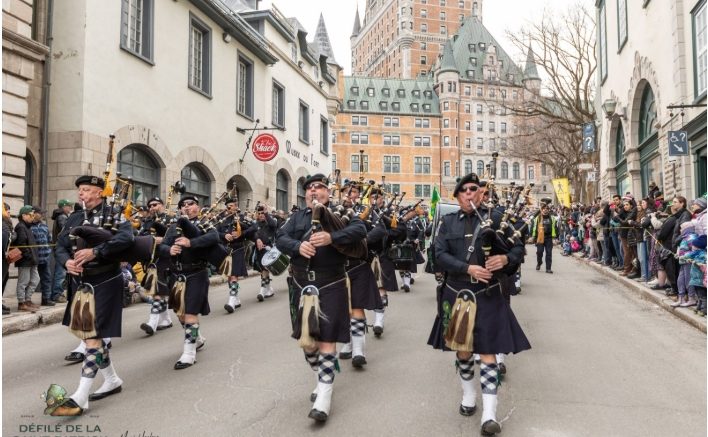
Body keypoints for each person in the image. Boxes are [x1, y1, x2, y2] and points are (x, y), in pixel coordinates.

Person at [427, 173, 530, 436]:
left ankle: (489, 413)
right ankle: (469, 395)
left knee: (488, 351)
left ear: (481, 193)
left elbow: (518, 249)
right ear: (458, 195)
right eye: (465, 190)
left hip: (489, 294)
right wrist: (468, 267)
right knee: (462, 351)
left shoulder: (496, 218)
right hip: (457, 292)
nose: (471, 193)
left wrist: (505, 260)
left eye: (475, 189)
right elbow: (439, 255)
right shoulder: (448, 222)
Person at [275, 174, 367, 422]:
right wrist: (297, 247)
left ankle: (324, 396)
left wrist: (331, 237)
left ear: (328, 192)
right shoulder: (297, 217)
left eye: (319, 187)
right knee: (308, 343)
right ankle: (321, 376)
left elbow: (360, 229)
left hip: (332, 282)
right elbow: (280, 238)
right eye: (310, 188)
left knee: (327, 340)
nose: (314, 191)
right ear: (305, 194)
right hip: (301, 283)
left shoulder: (340, 213)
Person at [49, 175, 133, 416]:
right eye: (80, 190)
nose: (81, 194)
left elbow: (127, 238)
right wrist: (66, 263)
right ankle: (113, 380)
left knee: (93, 337)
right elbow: (61, 245)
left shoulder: (114, 215)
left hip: (106, 279)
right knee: (89, 337)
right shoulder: (75, 217)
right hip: (81, 282)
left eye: (86, 190)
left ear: (99, 192)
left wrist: (97, 251)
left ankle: (80, 396)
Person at [158, 195, 219, 369]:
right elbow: (161, 246)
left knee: (191, 312)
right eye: (183, 205)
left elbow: (213, 238)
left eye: (190, 204)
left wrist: (190, 242)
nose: (186, 207)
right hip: (177, 274)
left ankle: (189, 353)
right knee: (180, 312)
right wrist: (169, 249)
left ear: (197, 207)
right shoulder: (173, 227)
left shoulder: (204, 223)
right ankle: (197, 338)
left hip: (196, 272)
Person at [337, 180, 383, 368]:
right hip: (336, 268)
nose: (350, 195)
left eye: (354, 191)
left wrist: (363, 241)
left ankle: (358, 350)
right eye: (346, 191)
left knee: (356, 307)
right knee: (342, 309)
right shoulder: (331, 210)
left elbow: (381, 230)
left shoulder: (367, 211)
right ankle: (347, 342)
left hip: (357, 265)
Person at [138, 197, 173, 335]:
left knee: (157, 291)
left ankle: (152, 323)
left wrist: (163, 239)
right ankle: (166, 320)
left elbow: (176, 237)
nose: (152, 207)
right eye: (150, 205)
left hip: (165, 258)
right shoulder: (146, 222)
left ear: (162, 205)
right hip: (150, 260)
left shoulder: (171, 219)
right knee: (157, 290)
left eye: (155, 204)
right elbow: (140, 237)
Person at [219, 197, 256, 313]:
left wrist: (241, 233)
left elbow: (254, 227)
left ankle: (231, 300)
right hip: (226, 250)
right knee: (230, 276)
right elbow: (215, 232)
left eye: (232, 205)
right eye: (228, 206)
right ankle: (236, 298)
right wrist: (224, 236)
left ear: (236, 206)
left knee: (234, 274)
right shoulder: (221, 219)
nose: (230, 207)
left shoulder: (241, 218)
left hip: (238, 248)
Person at [14, 205, 40, 312]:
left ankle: (27, 300)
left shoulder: (27, 226)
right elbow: (22, 244)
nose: (32, 217)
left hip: (32, 260)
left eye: (33, 215)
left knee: (35, 279)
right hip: (25, 260)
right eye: (30, 215)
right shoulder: (21, 226)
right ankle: (21, 303)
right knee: (23, 281)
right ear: (24, 215)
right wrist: (29, 256)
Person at [252, 205, 278, 301]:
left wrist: (267, 213)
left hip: (269, 249)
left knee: (264, 268)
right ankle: (268, 288)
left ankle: (263, 289)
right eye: (259, 213)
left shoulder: (271, 222)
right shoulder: (256, 224)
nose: (261, 215)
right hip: (259, 250)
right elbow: (254, 233)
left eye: (262, 213)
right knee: (262, 269)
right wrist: (257, 239)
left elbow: (274, 225)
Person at [50, 199, 73, 303]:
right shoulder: (63, 217)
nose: (70, 208)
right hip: (62, 248)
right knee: (61, 273)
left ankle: (57, 293)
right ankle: (57, 294)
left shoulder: (61, 216)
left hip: (59, 248)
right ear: (64, 207)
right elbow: (67, 231)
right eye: (69, 205)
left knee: (61, 272)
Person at [31, 206, 55, 306]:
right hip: (34, 259)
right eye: (40, 213)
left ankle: (46, 299)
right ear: (34, 213)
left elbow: (49, 239)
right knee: (31, 281)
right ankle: (25, 300)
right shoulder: (29, 226)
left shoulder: (44, 226)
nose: (42, 215)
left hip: (45, 258)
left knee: (46, 278)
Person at [530, 203, 558, 274]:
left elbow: (555, 228)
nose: (545, 210)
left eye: (547, 209)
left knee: (549, 253)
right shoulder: (538, 218)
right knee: (539, 252)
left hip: (548, 238)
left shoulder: (552, 218)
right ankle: (539, 263)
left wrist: (555, 238)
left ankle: (548, 268)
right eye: (544, 209)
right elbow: (533, 227)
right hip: (540, 237)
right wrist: (533, 237)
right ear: (541, 210)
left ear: (548, 210)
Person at [2, 202, 15, 314]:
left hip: (4, 259)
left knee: (4, 279)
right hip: (2, 258)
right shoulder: (3, 224)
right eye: (8, 212)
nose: (9, 214)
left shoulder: (6, 223)